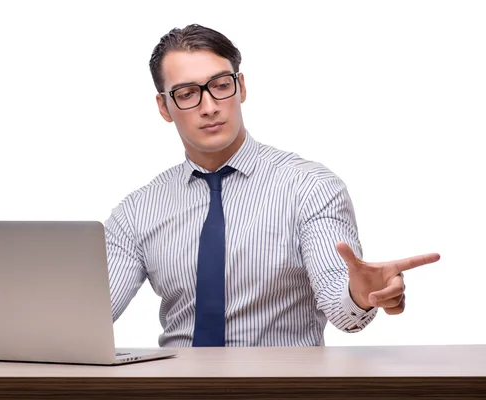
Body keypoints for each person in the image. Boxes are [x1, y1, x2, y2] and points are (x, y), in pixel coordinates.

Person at [104, 24, 440, 347]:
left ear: (242, 87)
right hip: (175, 388)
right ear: (165, 106)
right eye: (188, 93)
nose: (209, 107)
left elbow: (344, 311)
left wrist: (360, 293)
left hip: (281, 388)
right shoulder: (137, 212)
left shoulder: (309, 188)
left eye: (221, 85)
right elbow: (89, 316)